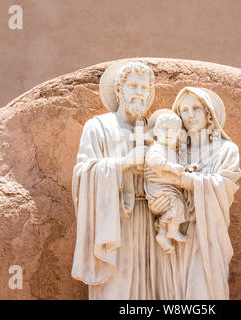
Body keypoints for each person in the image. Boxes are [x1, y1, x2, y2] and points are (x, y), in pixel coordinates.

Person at [71, 61, 168, 299]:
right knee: (116, 289)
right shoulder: (98, 127)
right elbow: (83, 174)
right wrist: (124, 163)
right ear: (118, 89)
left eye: (144, 88)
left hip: (151, 220)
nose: (139, 92)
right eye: (133, 85)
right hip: (115, 222)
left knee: (150, 289)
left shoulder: (155, 130)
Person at [148, 87, 241, 299]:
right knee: (172, 293)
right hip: (174, 235)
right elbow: (152, 178)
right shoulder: (171, 150)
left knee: (202, 291)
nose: (190, 115)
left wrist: (183, 179)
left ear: (208, 112)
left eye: (196, 108)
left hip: (206, 234)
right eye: (184, 110)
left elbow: (224, 185)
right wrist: (157, 202)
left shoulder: (226, 150)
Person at [144, 110, 188, 254]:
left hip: (169, 190)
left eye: (174, 131)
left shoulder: (172, 152)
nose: (170, 133)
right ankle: (170, 232)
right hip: (158, 190)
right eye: (166, 129)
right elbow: (155, 162)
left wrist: (188, 168)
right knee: (177, 205)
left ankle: (164, 233)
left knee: (176, 207)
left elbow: (179, 166)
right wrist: (172, 167)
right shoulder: (156, 148)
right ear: (156, 131)